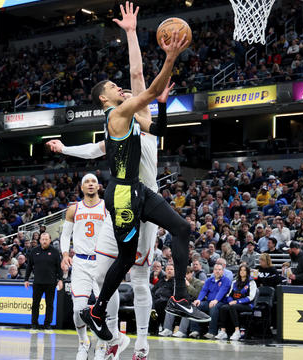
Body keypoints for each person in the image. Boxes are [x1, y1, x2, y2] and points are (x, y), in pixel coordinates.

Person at [48, 4, 179, 358]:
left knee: (138, 279)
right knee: (102, 272)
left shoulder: (141, 121)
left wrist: (132, 32)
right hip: (121, 200)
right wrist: (64, 150)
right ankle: (112, 341)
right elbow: (94, 151)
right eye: (114, 87)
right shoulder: (118, 125)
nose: (125, 87)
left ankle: (142, 343)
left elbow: (138, 75)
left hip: (147, 201)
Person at [79, 11, 209, 345]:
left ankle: (180, 298)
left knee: (181, 228)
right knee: (124, 261)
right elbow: (146, 85)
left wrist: (163, 104)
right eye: (112, 86)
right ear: (106, 99)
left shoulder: (133, 119)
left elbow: (160, 125)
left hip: (140, 190)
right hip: (122, 194)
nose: (118, 86)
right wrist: (170, 58)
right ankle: (96, 310)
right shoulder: (116, 114)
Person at [58, 174, 108, 360]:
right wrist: (64, 254)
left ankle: (102, 345)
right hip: (80, 261)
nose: (90, 184)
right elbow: (65, 236)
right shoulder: (73, 209)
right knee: (78, 308)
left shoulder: (107, 207)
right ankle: (83, 342)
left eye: (93, 181)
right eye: (87, 181)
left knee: (104, 308)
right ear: (81, 187)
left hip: (103, 261)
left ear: (98, 186)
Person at [24, 233, 63, 331]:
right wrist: (26, 279)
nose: (44, 241)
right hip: (37, 282)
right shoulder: (34, 251)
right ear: (40, 240)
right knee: (35, 304)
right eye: (42, 239)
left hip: (51, 282)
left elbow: (59, 267)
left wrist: (61, 280)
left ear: (50, 240)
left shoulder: (55, 252)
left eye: (46, 239)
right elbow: (29, 266)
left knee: (49, 305)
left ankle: (47, 325)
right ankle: (34, 324)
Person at [188, 263, 231, 339]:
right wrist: (199, 300)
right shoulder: (209, 280)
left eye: (219, 270)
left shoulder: (226, 280)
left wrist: (216, 300)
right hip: (209, 302)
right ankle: (195, 330)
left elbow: (222, 291)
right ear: (213, 271)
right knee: (195, 305)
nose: (217, 271)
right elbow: (204, 291)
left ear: (223, 271)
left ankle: (212, 332)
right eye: (215, 270)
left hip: (221, 302)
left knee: (213, 307)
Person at [215, 264, 257, 341]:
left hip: (247, 305)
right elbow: (229, 295)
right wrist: (231, 301)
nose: (242, 272)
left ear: (247, 272)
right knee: (223, 308)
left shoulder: (251, 282)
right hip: (234, 303)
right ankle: (223, 331)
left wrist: (237, 302)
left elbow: (251, 297)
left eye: (244, 270)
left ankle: (237, 331)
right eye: (241, 270)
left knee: (233, 307)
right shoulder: (234, 282)